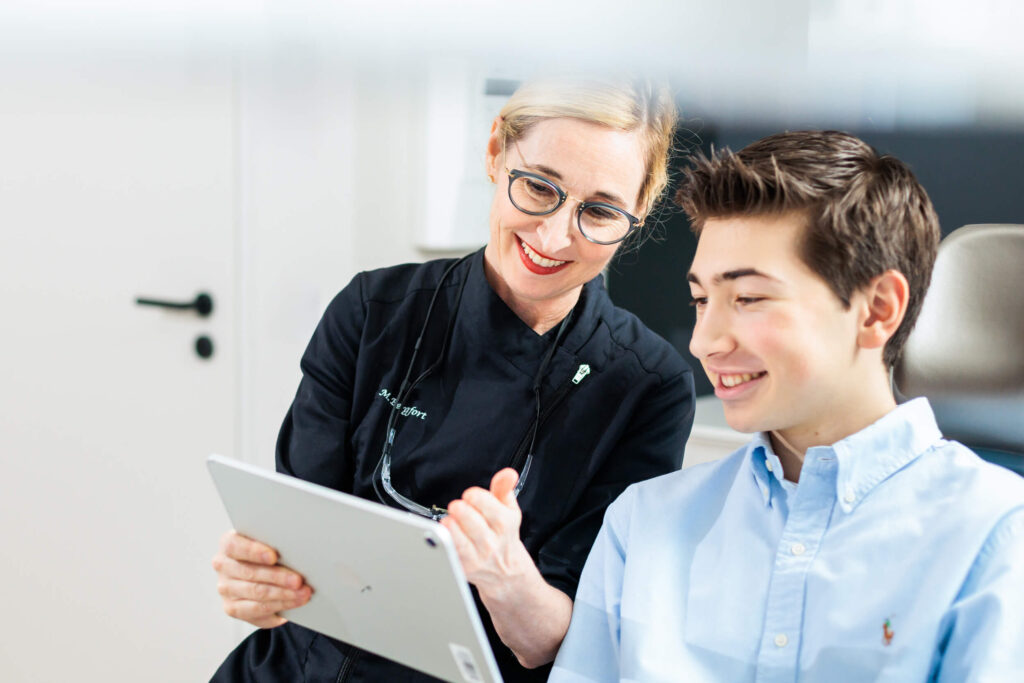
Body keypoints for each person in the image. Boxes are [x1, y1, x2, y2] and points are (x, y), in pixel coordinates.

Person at [209, 77, 696, 682]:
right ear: (495, 152)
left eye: (598, 211)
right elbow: (301, 540)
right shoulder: (372, 311)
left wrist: (507, 577)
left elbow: (557, 647)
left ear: (638, 213)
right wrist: (260, 580)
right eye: (538, 186)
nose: (553, 237)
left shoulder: (647, 388)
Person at [550, 131, 1024, 682]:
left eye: (748, 298)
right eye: (701, 299)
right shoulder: (643, 525)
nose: (704, 342)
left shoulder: (995, 536)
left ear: (877, 310)